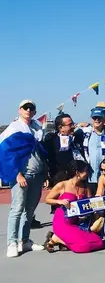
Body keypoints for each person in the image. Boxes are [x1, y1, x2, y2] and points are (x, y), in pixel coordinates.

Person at [1, 100, 47, 258]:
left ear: (35, 112)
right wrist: (17, 174)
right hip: (22, 176)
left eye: (31, 108)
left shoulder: (37, 129)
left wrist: (45, 173)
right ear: (19, 110)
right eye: (25, 107)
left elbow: (41, 153)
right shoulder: (14, 129)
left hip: (37, 175)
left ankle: (24, 240)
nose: (28, 110)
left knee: (30, 210)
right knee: (17, 209)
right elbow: (6, 154)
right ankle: (12, 242)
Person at [43, 160, 105, 253]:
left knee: (98, 242)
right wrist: (59, 201)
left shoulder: (85, 188)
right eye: (85, 171)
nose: (87, 173)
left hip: (77, 223)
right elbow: (47, 199)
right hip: (62, 222)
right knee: (82, 247)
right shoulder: (63, 185)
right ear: (77, 173)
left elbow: (91, 204)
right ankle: (56, 238)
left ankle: (62, 241)